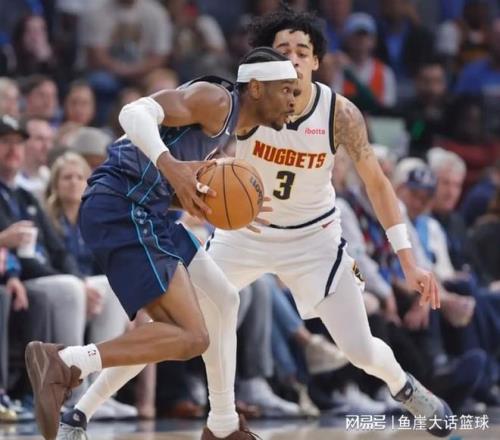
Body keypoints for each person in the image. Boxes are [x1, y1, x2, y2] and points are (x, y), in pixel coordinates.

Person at [55, 6, 452, 440]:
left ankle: (404, 386)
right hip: (243, 235)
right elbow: (196, 154)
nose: (293, 58)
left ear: (316, 61)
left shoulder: (339, 114)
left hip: (314, 240)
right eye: (283, 50)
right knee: (169, 324)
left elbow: (377, 185)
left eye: (302, 51)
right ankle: (81, 412)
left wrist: (408, 261)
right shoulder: (249, 102)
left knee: (359, 348)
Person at [25, 46, 298, 440]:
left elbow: (161, 175)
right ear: (256, 88)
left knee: (224, 300)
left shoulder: (230, 126)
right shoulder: (217, 100)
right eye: (286, 90)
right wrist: (173, 168)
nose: (293, 100)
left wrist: (198, 199)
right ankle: (66, 362)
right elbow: (133, 113)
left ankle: (222, 423)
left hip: (150, 210)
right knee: (191, 336)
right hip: (122, 204)